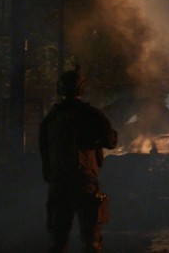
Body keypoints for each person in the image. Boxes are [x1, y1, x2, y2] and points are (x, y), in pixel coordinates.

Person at [39, 66, 118, 252]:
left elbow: (44, 152)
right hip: (85, 181)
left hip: (58, 183)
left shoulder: (51, 118)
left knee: (57, 241)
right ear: (81, 88)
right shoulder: (91, 114)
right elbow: (111, 141)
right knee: (91, 241)